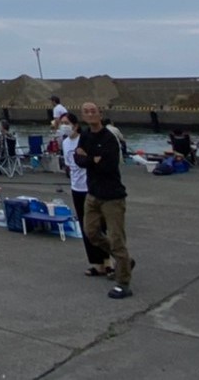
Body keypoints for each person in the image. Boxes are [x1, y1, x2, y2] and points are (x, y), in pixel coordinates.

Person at [74, 102, 133, 299]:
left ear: (100, 114)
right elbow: (78, 160)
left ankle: (123, 282)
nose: (90, 114)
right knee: (91, 232)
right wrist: (93, 159)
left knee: (116, 239)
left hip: (112, 197)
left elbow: (107, 165)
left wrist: (88, 159)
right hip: (93, 194)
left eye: (93, 111)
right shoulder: (85, 135)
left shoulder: (109, 138)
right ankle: (124, 260)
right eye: (86, 112)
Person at [61, 115, 109, 277]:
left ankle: (108, 260)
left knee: (99, 225)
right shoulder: (65, 143)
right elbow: (69, 165)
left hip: (92, 187)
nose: (63, 126)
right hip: (76, 188)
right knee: (85, 227)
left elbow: (95, 160)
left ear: (75, 126)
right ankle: (96, 263)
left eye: (66, 123)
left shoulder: (85, 139)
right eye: (61, 124)